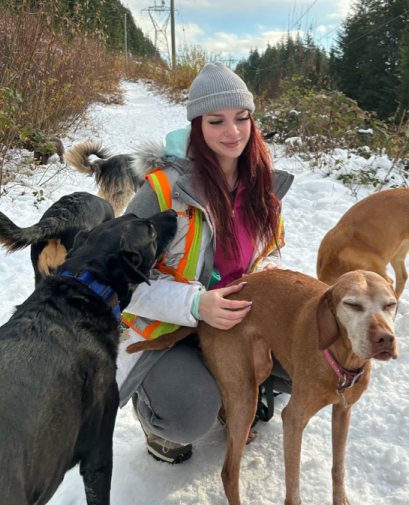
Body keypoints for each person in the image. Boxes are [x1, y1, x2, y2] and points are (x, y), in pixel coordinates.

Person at [117, 62, 294, 464]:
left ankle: (233, 392)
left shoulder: (264, 185)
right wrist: (196, 305)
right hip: (170, 327)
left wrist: (268, 282)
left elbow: (268, 254)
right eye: (217, 121)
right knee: (187, 415)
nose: (233, 132)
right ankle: (157, 415)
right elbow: (119, 279)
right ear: (197, 125)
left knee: (312, 359)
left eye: (242, 118)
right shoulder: (162, 190)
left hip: (237, 319)